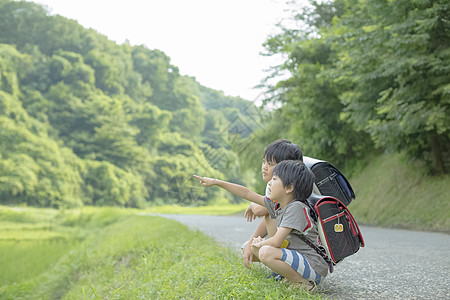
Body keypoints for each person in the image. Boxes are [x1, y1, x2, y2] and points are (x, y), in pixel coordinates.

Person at [193, 160, 328, 293]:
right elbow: (246, 193)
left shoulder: (296, 208)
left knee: (265, 251)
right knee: (253, 249)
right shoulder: (279, 204)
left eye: (274, 179)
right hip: (302, 262)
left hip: (314, 266)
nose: (269, 183)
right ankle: (292, 277)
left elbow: (276, 241)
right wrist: (217, 182)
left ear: (289, 188)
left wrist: (261, 243)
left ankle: (302, 283)